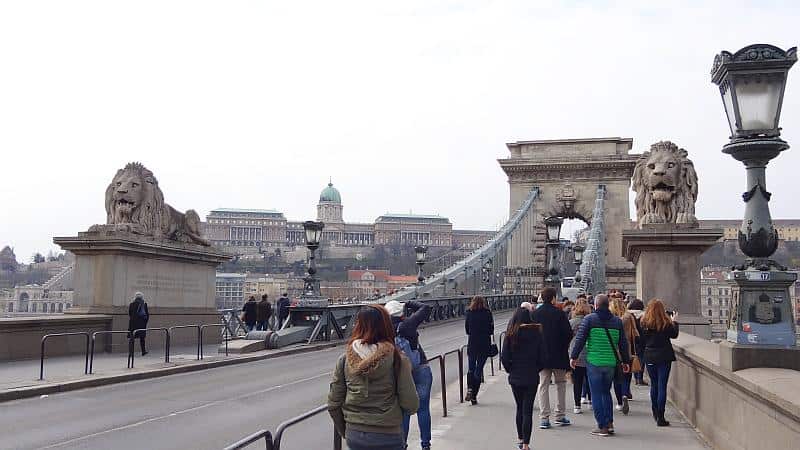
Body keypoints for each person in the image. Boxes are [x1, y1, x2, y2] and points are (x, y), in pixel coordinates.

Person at [328, 305, 419, 450]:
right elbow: (411, 404)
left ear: (358, 326)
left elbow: (333, 403)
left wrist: (347, 430)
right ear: (386, 326)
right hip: (388, 434)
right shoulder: (397, 360)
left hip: (355, 434)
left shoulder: (345, 360)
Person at [570, 294, 631, 437]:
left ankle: (602, 426)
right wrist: (626, 362)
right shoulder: (617, 322)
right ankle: (610, 423)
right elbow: (623, 344)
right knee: (606, 392)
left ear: (596, 305)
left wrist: (573, 357)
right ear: (607, 305)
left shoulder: (589, 320)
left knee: (596, 394)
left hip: (594, 362)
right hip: (610, 363)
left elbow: (580, 340)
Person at [385, 300, 433, 450]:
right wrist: (409, 302)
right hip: (421, 368)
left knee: (404, 411)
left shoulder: (385, 330)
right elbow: (426, 307)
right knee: (423, 409)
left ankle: (403, 445)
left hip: (402, 372)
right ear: (401, 314)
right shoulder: (407, 324)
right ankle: (425, 445)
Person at [501, 308, 545, 450]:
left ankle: (520, 438)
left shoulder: (511, 335)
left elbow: (505, 358)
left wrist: (510, 369)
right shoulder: (537, 334)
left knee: (519, 408)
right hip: (531, 376)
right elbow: (543, 357)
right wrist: (535, 369)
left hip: (516, 377)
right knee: (528, 411)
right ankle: (526, 444)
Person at [531, 287, 574, 429]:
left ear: (542, 298)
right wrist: (562, 346)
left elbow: (531, 335)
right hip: (559, 354)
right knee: (561, 384)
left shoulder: (535, 314)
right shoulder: (560, 314)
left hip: (541, 355)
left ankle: (544, 418)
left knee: (543, 385)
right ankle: (560, 416)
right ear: (553, 298)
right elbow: (568, 333)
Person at [640, 299, 680, 427]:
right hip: (664, 356)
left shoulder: (644, 322)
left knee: (654, 385)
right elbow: (674, 335)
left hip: (650, 356)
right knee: (662, 385)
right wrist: (675, 321)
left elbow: (641, 340)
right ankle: (661, 417)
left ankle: (655, 412)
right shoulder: (666, 323)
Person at [610, 296, 638, 414]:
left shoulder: (614, 320)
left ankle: (620, 401)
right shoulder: (629, 317)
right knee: (627, 375)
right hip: (628, 348)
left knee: (617, 377)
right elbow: (635, 333)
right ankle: (626, 393)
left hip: (615, 350)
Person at [464, 296, 494, 405]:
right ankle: (474, 396)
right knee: (478, 369)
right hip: (484, 344)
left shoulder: (469, 313)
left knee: (471, 369)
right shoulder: (487, 313)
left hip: (472, 344)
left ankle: (469, 389)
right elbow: (491, 330)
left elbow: (467, 330)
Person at [569, 300, 592, 414]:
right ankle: (591, 400)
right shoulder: (591, 322)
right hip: (589, 353)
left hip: (575, 354)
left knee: (577, 381)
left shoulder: (571, 322)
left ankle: (577, 405)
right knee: (589, 379)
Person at [627, 298, 647, 386]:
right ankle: (640, 378)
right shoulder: (644, 315)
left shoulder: (627, 315)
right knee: (641, 358)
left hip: (631, 340)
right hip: (641, 340)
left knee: (633, 358)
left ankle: (635, 376)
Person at [128, 292, 149, 356]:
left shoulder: (131, 304)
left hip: (133, 323)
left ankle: (131, 353)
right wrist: (145, 322)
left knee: (132, 338)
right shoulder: (144, 304)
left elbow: (130, 313)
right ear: (142, 297)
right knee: (142, 338)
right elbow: (147, 315)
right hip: (141, 323)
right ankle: (143, 351)